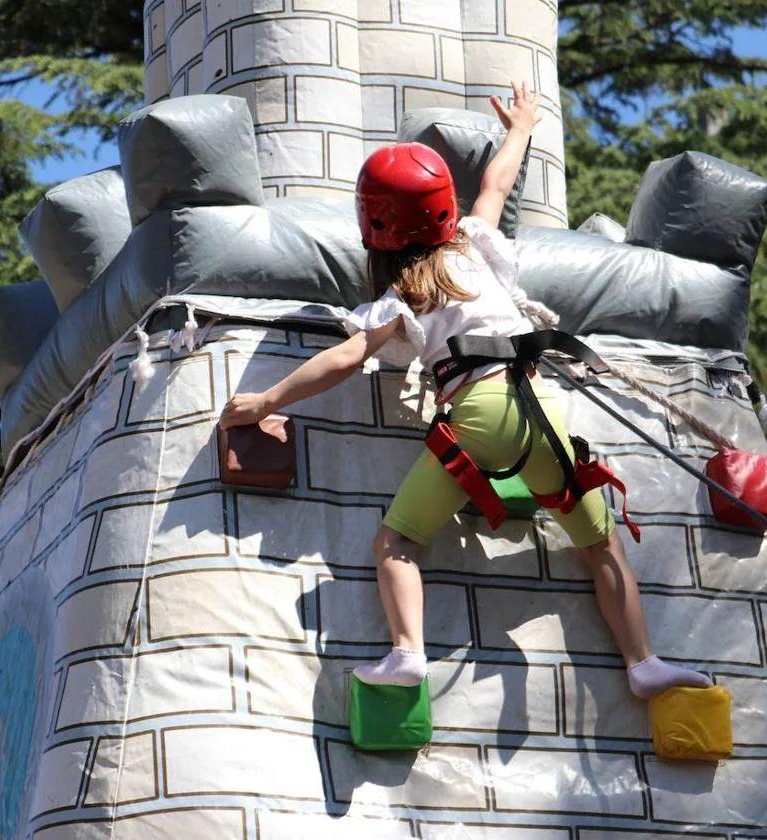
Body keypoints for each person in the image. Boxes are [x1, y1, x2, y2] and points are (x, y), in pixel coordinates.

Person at [219, 83, 711, 700]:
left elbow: (346, 357)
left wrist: (265, 402)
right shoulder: (476, 244)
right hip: (542, 416)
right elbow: (497, 187)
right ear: (445, 208)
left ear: (376, 226)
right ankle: (643, 662)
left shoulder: (404, 296)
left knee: (397, 541)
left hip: (479, 418)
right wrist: (522, 127)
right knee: (599, 542)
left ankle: (406, 653)